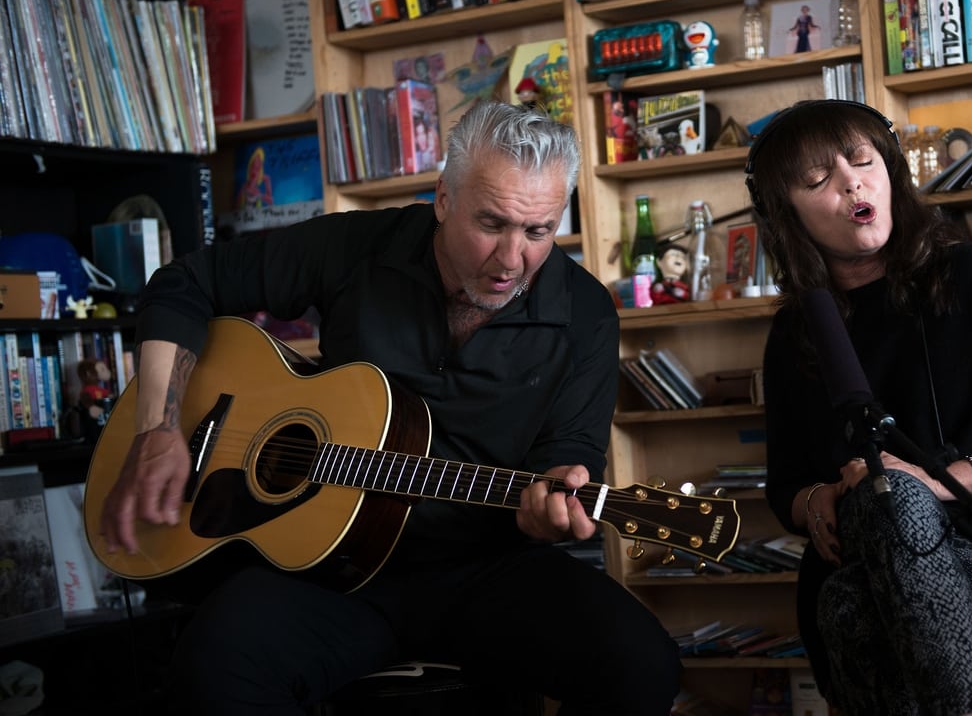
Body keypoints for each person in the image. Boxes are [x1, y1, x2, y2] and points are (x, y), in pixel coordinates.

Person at [96, 100, 681, 716]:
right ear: (444, 198)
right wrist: (159, 428)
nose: (512, 259)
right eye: (492, 223)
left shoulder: (585, 314)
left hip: (488, 574)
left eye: (537, 232)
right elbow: (185, 284)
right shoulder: (360, 247)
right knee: (212, 665)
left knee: (642, 667)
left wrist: (551, 507)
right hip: (327, 572)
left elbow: (570, 457)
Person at [744, 100, 972, 715]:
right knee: (870, 536)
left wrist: (940, 483)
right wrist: (816, 502)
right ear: (785, 212)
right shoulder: (797, 334)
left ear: (889, 170)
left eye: (863, 161)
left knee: (884, 529)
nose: (853, 181)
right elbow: (787, 487)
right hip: (858, 556)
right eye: (817, 179)